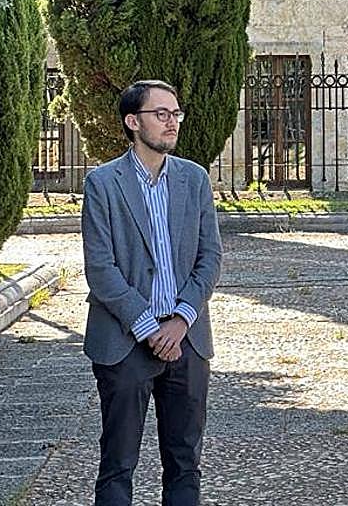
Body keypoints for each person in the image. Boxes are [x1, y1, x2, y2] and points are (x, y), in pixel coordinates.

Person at [80, 79, 223, 506]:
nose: (171, 122)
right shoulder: (103, 183)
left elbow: (210, 258)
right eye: (160, 114)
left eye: (175, 113)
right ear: (132, 121)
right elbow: (100, 270)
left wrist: (179, 321)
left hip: (187, 342)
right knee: (118, 464)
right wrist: (148, 327)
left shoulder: (194, 180)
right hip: (124, 343)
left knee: (185, 462)